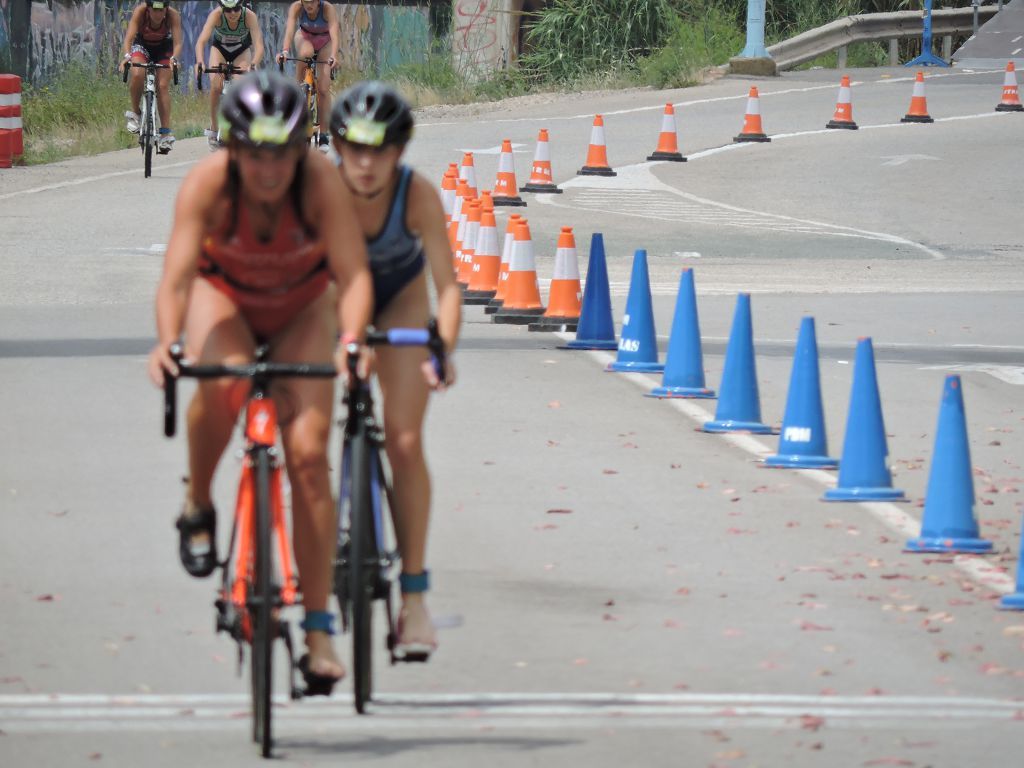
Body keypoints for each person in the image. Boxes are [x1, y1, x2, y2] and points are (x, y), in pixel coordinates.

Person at [147, 71, 373, 692]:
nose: (269, 169)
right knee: (220, 387)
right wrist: (167, 344)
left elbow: (352, 278)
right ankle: (198, 502)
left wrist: (352, 343)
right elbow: (175, 279)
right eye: (254, 153)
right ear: (231, 146)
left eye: (282, 153)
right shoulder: (207, 188)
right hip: (227, 301)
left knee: (307, 459)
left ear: (301, 148)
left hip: (303, 309)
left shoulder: (322, 184)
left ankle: (320, 632)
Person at [329, 81, 461, 661]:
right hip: (333, 299)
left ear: (399, 152)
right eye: (352, 148)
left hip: (402, 301)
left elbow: (449, 287)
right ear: (336, 145)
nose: (363, 162)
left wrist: (441, 349)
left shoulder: (418, 196)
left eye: (378, 149)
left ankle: (413, 599)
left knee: (405, 441)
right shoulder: (320, 190)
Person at [194, 0, 265, 150]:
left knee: (241, 86)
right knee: (215, 86)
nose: (232, 13)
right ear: (222, 8)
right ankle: (214, 128)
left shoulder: (249, 16)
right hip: (220, 50)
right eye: (228, 10)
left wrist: (254, 64)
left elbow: (259, 46)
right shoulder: (216, 15)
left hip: (241, 51)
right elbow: (201, 41)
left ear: (242, 6)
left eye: (236, 9)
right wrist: (200, 62)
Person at [121, 0, 183, 153]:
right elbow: (129, 38)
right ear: (148, 9)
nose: (159, 14)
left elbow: (178, 43)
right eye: (155, 10)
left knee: (162, 85)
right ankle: (136, 113)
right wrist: (127, 57)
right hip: (142, 46)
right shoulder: (140, 12)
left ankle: (165, 133)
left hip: (164, 48)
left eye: (162, 10)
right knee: (137, 73)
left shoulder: (172, 15)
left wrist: (174, 58)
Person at [277, 0, 340, 150]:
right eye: (306, 2)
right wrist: (285, 51)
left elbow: (334, 33)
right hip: (305, 37)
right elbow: (290, 30)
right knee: (306, 53)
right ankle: (299, 88)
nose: (309, 6)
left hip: (325, 41)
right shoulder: (296, 7)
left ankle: (324, 134)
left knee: (324, 89)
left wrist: (334, 56)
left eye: (312, 2)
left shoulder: (327, 9)